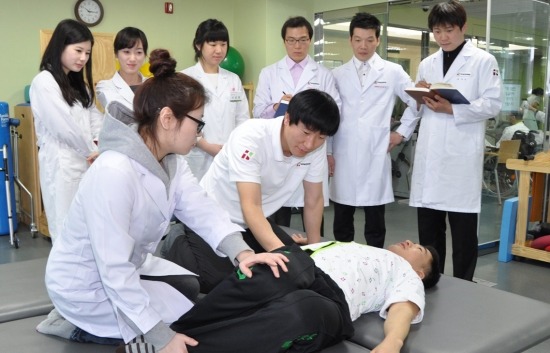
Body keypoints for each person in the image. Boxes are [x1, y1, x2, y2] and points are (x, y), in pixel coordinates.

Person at [38, 49, 309, 353]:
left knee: (190, 293)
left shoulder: (169, 161)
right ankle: (68, 323)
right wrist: (161, 337)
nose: (199, 133)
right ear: (168, 118)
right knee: (177, 329)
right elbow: (112, 269)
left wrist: (243, 253)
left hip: (128, 265)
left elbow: (201, 208)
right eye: (198, 123)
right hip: (85, 286)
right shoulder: (113, 171)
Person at [166, 232, 440, 353]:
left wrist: (393, 342)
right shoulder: (361, 247)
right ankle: (171, 337)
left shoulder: (404, 273)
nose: (410, 242)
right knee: (270, 269)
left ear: (420, 273)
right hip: (304, 266)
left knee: (300, 310)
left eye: (419, 249)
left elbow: (404, 308)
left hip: (334, 302)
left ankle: (191, 348)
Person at [410, 0, 502, 281]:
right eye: (437, 31)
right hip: (431, 155)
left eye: (449, 30)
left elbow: (492, 104)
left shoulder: (483, 60)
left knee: (463, 232)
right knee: (429, 230)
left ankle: (464, 284)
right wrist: (419, 95)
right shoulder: (428, 63)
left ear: (463, 27)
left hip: (461, 156)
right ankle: (431, 279)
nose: (443, 37)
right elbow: (418, 104)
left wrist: (452, 108)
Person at [197, 89, 339, 254]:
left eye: (321, 137)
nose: (309, 144)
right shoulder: (251, 137)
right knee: (243, 274)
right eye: (306, 132)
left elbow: (313, 200)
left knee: (301, 265)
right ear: (287, 118)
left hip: (253, 222)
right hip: (213, 218)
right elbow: (251, 205)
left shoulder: (316, 148)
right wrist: (283, 257)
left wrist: (314, 249)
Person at [329, 13, 419, 248]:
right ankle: (342, 267)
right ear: (350, 40)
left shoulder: (392, 71)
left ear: (378, 40)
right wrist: (328, 151)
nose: (363, 46)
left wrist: (401, 133)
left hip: (375, 152)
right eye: (358, 39)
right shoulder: (337, 75)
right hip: (343, 151)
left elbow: (417, 102)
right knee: (342, 220)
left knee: (375, 221)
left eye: (369, 39)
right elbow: (328, 115)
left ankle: (375, 265)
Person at [253, 15, 341, 227]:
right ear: (284, 41)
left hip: (312, 150)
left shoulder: (323, 74)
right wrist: (277, 106)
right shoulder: (269, 73)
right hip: (280, 148)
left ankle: (313, 250)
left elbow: (334, 111)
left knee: (312, 205)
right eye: (291, 40)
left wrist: (329, 153)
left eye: (302, 39)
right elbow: (257, 111)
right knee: (277, 214)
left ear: (310, 40)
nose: (297, 45)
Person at [29, 19, 103, 243]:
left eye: (87, 53)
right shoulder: (44, 82)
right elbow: (64, 128)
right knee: (65, 231)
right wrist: (91, 150)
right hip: (62, 166)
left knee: (88, 229)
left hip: (87, 162)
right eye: (78, 50)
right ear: (60, 46)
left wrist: (100, 145)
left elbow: (95, 119)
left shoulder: (80, 85)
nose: (83, 58)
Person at [181, 19, 249, 180]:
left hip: (229, 153)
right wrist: (204, 145)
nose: (219, 50)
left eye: (223, 44)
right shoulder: (185, 78)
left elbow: (242, 118)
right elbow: (182, 121)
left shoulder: (233, 80)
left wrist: (233, 146)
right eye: (213, 44)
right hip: (196, 155)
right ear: (199, 45)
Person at [96, 27, 149, 110]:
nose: (132, 58)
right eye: (126, 52)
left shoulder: (152, 85)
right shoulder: (105, 86)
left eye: (138, 52)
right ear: (116, 54)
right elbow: (121, 113)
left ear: (145, 55)